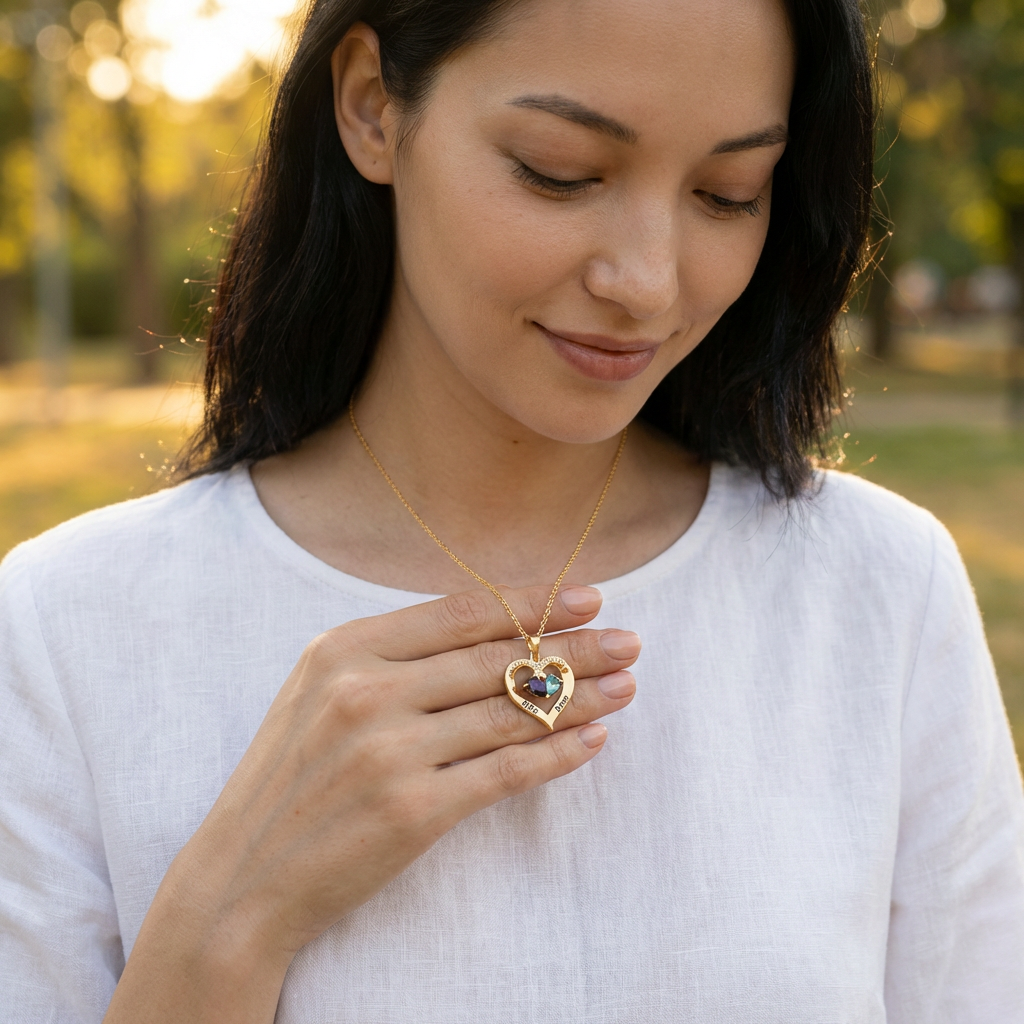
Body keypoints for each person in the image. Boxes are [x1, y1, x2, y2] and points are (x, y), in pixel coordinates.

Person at [2, 0, 1023, 1020]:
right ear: (369, 107)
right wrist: (229, 917)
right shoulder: (63, 635)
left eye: (726, 192)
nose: (647, 281)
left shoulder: (881, 591)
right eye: (559, 170)